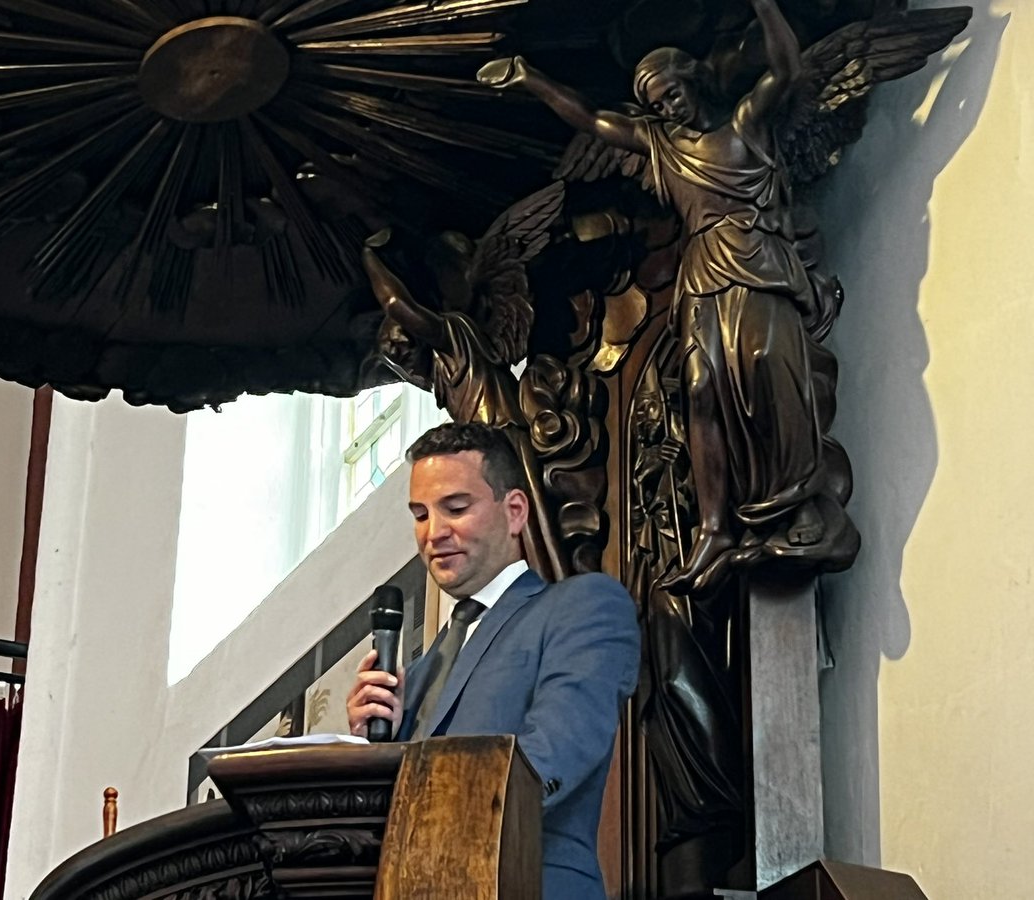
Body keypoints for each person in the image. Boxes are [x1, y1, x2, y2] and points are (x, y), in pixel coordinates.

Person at [478, 0, 847, 596]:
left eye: (669, 94)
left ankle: (797, 504)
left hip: (758, 264)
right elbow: (592, 119)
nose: (664, 108)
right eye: (654, 102)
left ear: (692, 82)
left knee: (768, 376)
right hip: (702, 274)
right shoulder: (659, 145)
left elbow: (785, 67)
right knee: (701, 393)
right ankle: (714, 528)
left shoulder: (745, 126)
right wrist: (532, 79)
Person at [346, 422, 640, 899]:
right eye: (420, 515)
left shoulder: (581, 607)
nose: (433, 533)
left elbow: (557, 751)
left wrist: (431, 815)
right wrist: (369, 747)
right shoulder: (417, 675)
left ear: (515, 511)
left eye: (456, 508)